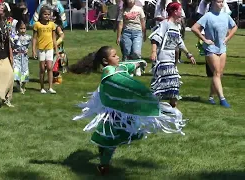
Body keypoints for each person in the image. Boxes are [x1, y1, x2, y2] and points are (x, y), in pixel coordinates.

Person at [72, 46, 186, 175]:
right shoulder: (109, 73)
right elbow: (123, 81)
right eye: (114, 56)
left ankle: (104, 160)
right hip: (115, 114)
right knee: (110, 139)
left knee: (113, 138)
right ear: (105, 61)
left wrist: (139, 63)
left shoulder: (116, 68)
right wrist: (141, 92)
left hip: (121, 112)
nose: (118, 57)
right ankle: (104, 164)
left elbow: (126, 67)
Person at [149, 2, 196, 108]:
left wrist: (188, 54)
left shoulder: (176, 26)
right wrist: (153, 52)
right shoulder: (165, 23)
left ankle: (173, 107)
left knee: (173, 83)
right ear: (175, 12)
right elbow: (156, 37)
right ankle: (155, 105)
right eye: (180, 9)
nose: (181, 11)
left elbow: (179, 42)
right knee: (164, 83)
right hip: (163, 58)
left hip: (171, 59)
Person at [191, 0, 237, 108]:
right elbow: (194, 28)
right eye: (219, 2)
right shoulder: (208, 16)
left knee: (219, 74)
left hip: (222, 48)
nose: (221, 4)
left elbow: (234, 27)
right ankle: (222, 99)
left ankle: (211, 96)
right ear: (213, 2)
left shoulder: (225, 16)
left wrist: (227, 38)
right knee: (216, 73)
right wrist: (204, 39)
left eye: (222, 2)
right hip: (211, 49)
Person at [195, 0, 231, 78]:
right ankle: (212, 72)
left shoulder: (221, 2)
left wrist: (226, 32)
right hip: (207, 29)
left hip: (219, 30)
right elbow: (200, 15)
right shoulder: (205, 3)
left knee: (219, 49)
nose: (221, 3)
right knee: (209, 50)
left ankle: (217, 73)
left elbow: (228, 13)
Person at [32, 6, 59, 94]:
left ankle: (50, 87)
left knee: (50, 67)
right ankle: (42, 87)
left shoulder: (52, 25)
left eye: (48, 14)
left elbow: (54, 38)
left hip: (49, 48)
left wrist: (56, 49)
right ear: (41, 15)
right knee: (42, 68)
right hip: (41, 49)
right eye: (45, 14)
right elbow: (34, 38)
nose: (47, 16)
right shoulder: (37, 25)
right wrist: (33, 50)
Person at [12, 21, 32, 94]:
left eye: (24, 28)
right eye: (21, 28)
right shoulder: (14, 37)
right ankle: (18, 84)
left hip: (24, 58)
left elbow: (29, 45)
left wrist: (28, 50)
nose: (22, 30)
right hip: (16, 57)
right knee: (16, 70)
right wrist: (13, 49)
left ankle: (23, 86)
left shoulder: (28, 37)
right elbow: (11, 45)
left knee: (24, 71)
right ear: (17, 29)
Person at [52, 9, 67, 84]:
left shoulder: (57, 26)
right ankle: (54, 78)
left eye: (52, 15)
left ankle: (57, 78)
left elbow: (62, 35)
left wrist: (56, 43)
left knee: (55, 66)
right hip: (48, 49)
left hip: (57, 50)